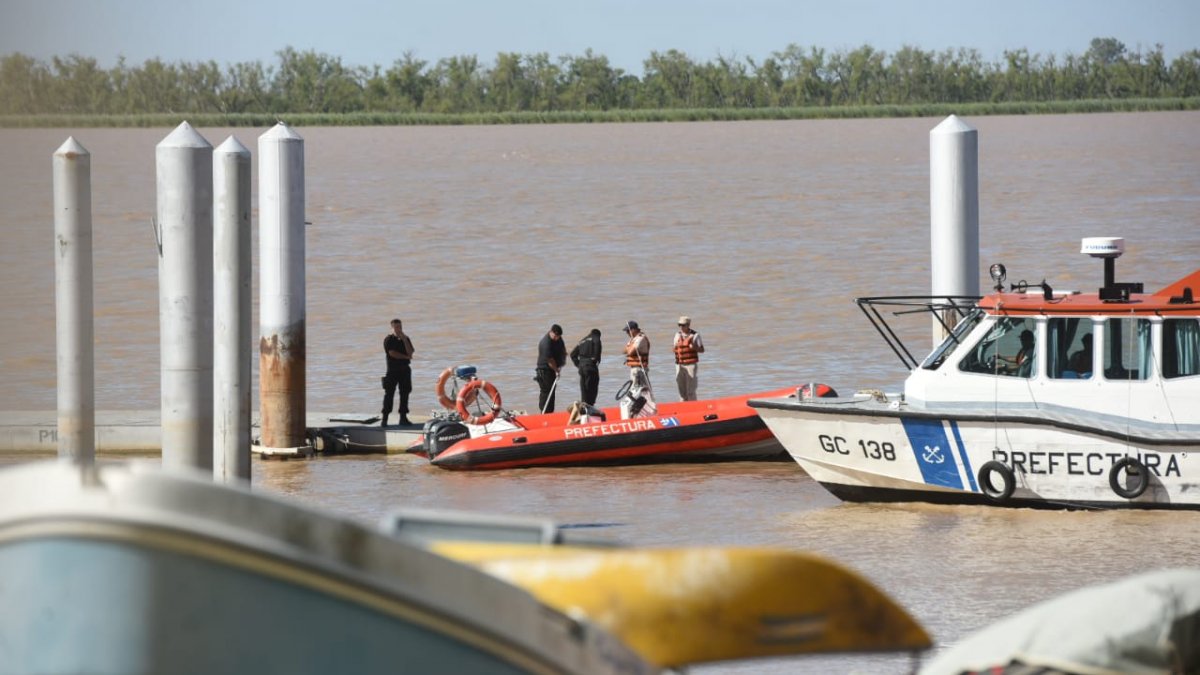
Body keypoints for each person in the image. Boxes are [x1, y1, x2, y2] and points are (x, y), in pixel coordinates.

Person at [381, 318, 415, 426]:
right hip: (392, 371)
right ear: (392, 328)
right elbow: (392, 353)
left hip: (405, 370)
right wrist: (406, 356)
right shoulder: (389, 339)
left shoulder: (406, 338)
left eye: (400, 327)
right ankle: (385, 419)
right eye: (396, 327)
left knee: (405, 393)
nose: (398, 329)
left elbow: (411, 352)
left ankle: (403, 418)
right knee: (389, 394)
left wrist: (404, 340)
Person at [672, 316, 705, 401]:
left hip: (691, 365)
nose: (681, 327)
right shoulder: (677, 335)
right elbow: (674, 349)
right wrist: (676, 348)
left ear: (688, 325)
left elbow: (702, 350)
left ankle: (694, 408)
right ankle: (683, 409)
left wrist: (694, 347)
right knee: (682, 392)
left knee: (690, 391)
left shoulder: (695, 335)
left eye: (683, 325)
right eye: (679, 325)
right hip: (679, 366)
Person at [536, 324, 566, 413]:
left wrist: (562, 362)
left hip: (553, 369)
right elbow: (550, 361)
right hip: (544, 370)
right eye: (556, 336)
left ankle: (550, 413)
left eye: (558, 336)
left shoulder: (559, 339)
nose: (557, 338)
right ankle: (544, 412)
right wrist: (556, 370)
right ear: (551, 332)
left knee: (552, 392)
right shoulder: (545, 343)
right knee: (546, 392)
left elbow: (563, 349)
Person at [569, 328, 603, 406]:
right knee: (593, 387)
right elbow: (597, 344)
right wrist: (596, 358)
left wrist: (578, 365)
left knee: (584, 388)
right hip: (591, 366)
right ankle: (590, 406)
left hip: (582, 368)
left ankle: (584, 406)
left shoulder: (582, 341)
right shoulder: (596, 337)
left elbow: (572, 355)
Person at [622, 320, 650, 386]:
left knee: (640, 390)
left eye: (628, 331)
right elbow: (624, 351)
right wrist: (629, 349)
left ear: (633, 330)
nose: (627, 333)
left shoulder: (640, 338)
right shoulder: (633, 339)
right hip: (635, 368)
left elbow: (630, 352)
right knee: (639, 390)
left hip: (640, 369)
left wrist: (629, 349)